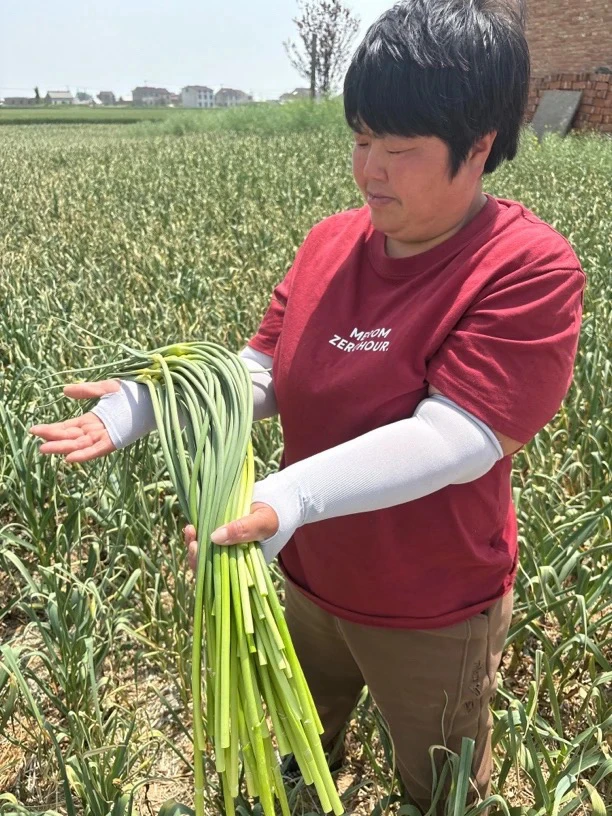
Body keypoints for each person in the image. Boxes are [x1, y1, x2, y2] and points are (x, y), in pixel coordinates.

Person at [31, 0, 585, 810]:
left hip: (430, 605)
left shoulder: (526, 267)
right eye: (361, 140)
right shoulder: (331, 242)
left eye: (399, 149)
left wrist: (283, 499)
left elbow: (457, 436)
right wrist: (148, 404)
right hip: (308, 575)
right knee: (298, 738)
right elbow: (263, 371)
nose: (369, 172)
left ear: (479, 145)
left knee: (439, 781)